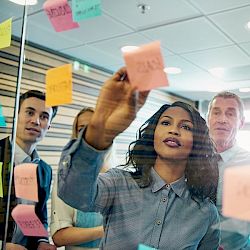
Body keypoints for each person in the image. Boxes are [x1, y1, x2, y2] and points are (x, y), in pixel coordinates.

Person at [57, 67, 220, 250]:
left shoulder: (205, 213)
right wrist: (99, 127)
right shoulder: (119, 184)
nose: (174, 130)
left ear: (197, 143)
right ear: (153, 134)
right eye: (166, 123)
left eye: (186, 127)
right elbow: (74, 194)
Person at [7, 90, 58, 250]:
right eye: (30, 112)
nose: (36, 121)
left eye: (43, 116)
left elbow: (37, 214)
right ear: (16, 115)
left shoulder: (45, 170)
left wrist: (41, 241)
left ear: (49, 126)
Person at [50, 107, 105, 250]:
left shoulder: (118, 175)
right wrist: (105, 230)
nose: (89, 134)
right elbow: (59, 237)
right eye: (82, 129)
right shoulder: (66, 178)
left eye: (94, 127)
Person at [207, 91, 250, 250]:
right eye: (216, 112)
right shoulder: (189, 161)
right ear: (208, 118)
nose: (222, 119)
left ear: (241, 122)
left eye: (230, 114)